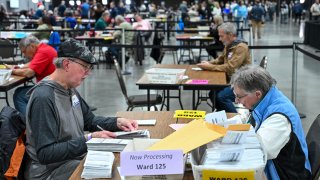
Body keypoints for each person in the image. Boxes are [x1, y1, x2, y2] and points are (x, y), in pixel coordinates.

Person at [24, 38, 138, 179]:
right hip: (50, 171)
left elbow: (90, 120)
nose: (88, 73)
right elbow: (46, 153)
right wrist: (88, 139)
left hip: (72, 159)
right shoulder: (44, 98)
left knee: (120, 163)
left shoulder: (69, 89)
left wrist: (117, 122)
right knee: (114, 172)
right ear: (66, 64)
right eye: (85, 67)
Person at [230, 65, 311, 179]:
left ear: (257, 94)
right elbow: (252, 121)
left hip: (285, 175)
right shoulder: (267, 98)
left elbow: (260, 151)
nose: (237, 101)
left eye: (239, 97)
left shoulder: (279, 117)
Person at [197, 22, 251, 113]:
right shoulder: (229, 45)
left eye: (222, 36)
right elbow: (220, 59)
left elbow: (231, 67)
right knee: (213, 93)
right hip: (232, 79)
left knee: (222, 96)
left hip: (243, 82)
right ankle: (222, 114)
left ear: (230, 35)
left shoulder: (241, 47)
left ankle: (236, 120)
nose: (219, 39)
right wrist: (209, 63)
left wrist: (210, 67)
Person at [5, 35, 56, 117]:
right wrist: (17, 67)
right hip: (50, 85)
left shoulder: (43, 52)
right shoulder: (44, 48)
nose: (24, 55)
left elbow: (28, 73)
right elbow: (32, 63)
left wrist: (12, 71)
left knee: (19, 96)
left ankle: (29, 125)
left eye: (24, 51)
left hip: (50, 89)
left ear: (31, 46)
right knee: (20, 91)